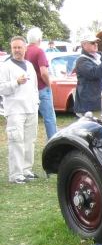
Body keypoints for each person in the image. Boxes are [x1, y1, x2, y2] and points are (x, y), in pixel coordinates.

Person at [0, 36, 40, 183]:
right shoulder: (5, 66)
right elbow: (2, 88)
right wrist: (16, 83)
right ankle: (16, 174)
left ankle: (26, 169)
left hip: (31, 108)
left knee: (30, 140)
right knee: (16, 141)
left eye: (19, 47)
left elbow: (34, 87)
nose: (17, 50)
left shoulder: (29, 65)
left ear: (25, 48)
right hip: (15, 110)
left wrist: (36, 103)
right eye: (14, 48)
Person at [25, 28, 57, 141]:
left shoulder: (24, 50)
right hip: (41, 87)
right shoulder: (39, 51)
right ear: (39, 39)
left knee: (29, 118)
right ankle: (53, 142)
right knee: (49, 119)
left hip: (27, 88)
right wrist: (48, 84)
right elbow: (44, 72)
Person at [74, 35, 102, 118]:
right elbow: (95, 73)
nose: (96, 44)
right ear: (84, 45)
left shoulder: (99, 56)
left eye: (96, 42)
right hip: (91, 105)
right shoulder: (82, 61)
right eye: (92, 42)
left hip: (101, 101)